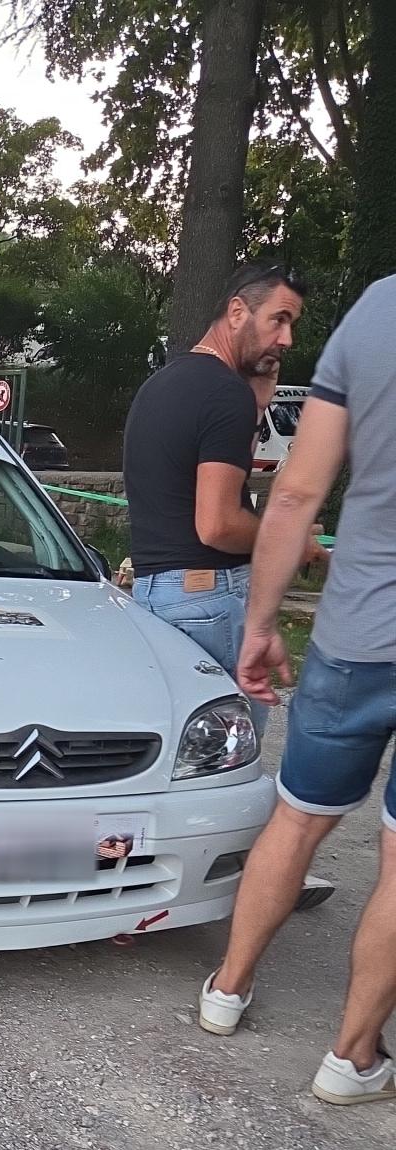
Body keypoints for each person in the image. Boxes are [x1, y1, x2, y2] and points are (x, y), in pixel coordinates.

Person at [197, 274, 396, 1106]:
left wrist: (260, 624)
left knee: (300, 813)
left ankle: (227, 990)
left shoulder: (379, 310)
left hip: (355, 635)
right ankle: (352, 1060)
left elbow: (297, 496)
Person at [123, 259, 332, 910]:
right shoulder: (222, 394)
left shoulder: (162, 385)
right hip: (209, 594)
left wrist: (257, 403)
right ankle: (259, 875)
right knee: (233, 750)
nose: (286, 340)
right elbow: (216, 522)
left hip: (158, 593)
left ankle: (159, 877)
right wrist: (290, 539)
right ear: (237, 312)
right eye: (280, 320)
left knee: (177, 748)